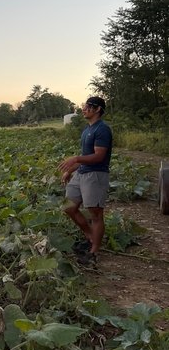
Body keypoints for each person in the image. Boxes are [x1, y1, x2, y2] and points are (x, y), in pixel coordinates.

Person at [58, 96, 112, 265]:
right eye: (85, 105)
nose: (85, 108)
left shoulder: (102, 129)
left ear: (98, 110)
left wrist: (75, 159)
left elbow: (98, 156)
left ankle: (94, 252)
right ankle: (90, 236)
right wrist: (71, 170)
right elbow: (86, 157)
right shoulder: (87, 129)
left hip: (95, 175)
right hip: (81, 173)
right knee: (68, 207)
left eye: (89, 106)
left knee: (95, 213)